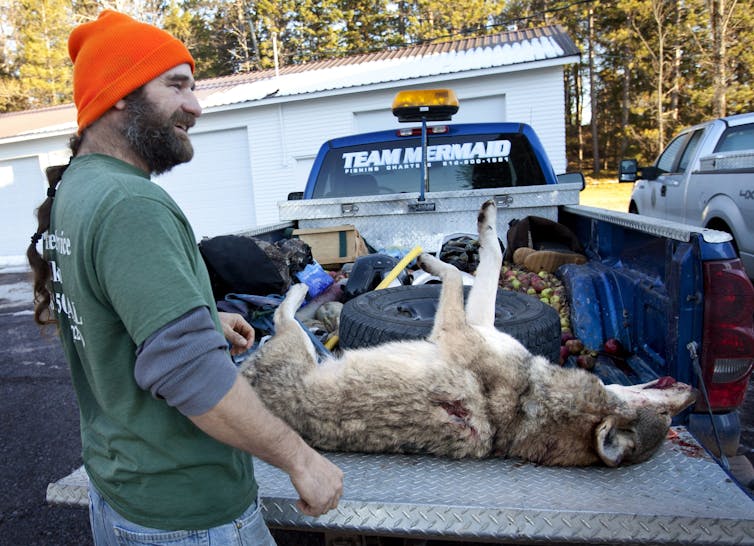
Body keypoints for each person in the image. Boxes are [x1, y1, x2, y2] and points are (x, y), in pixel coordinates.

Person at [26, 10, 343, 545]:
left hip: (123, 487)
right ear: (119, 93)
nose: (195, 106)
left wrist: (197, 312)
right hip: (187, 514)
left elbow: (106, 310)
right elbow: (190, 376)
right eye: (176, 86)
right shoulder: (131, 203)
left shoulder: (77, 189)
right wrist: (301, 460)